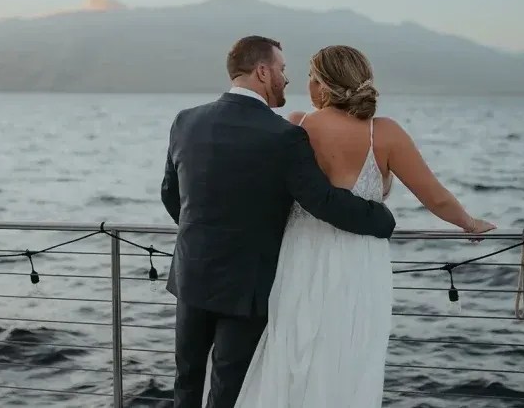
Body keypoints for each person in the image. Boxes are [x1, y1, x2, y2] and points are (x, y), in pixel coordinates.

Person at [233, 44, 495, 408]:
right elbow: (435, 197)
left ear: (324, 85)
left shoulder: (297, 124)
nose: (306, 85)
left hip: (300, 257)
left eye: (311, 77)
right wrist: (469, 222)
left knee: (293, 350)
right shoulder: (384, 133)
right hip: (360, 263)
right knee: (352, 356)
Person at [161, 36, 397, 408]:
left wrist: (204, 235)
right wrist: (380, 219)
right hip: (249, 283)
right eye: (283, 70)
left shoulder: (186, 121)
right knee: (228, 387)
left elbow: (171, 196)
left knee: (186, 381)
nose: (286, 79)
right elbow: (322, 201)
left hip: (192, 271)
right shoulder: (283, 135)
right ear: (262, 71)